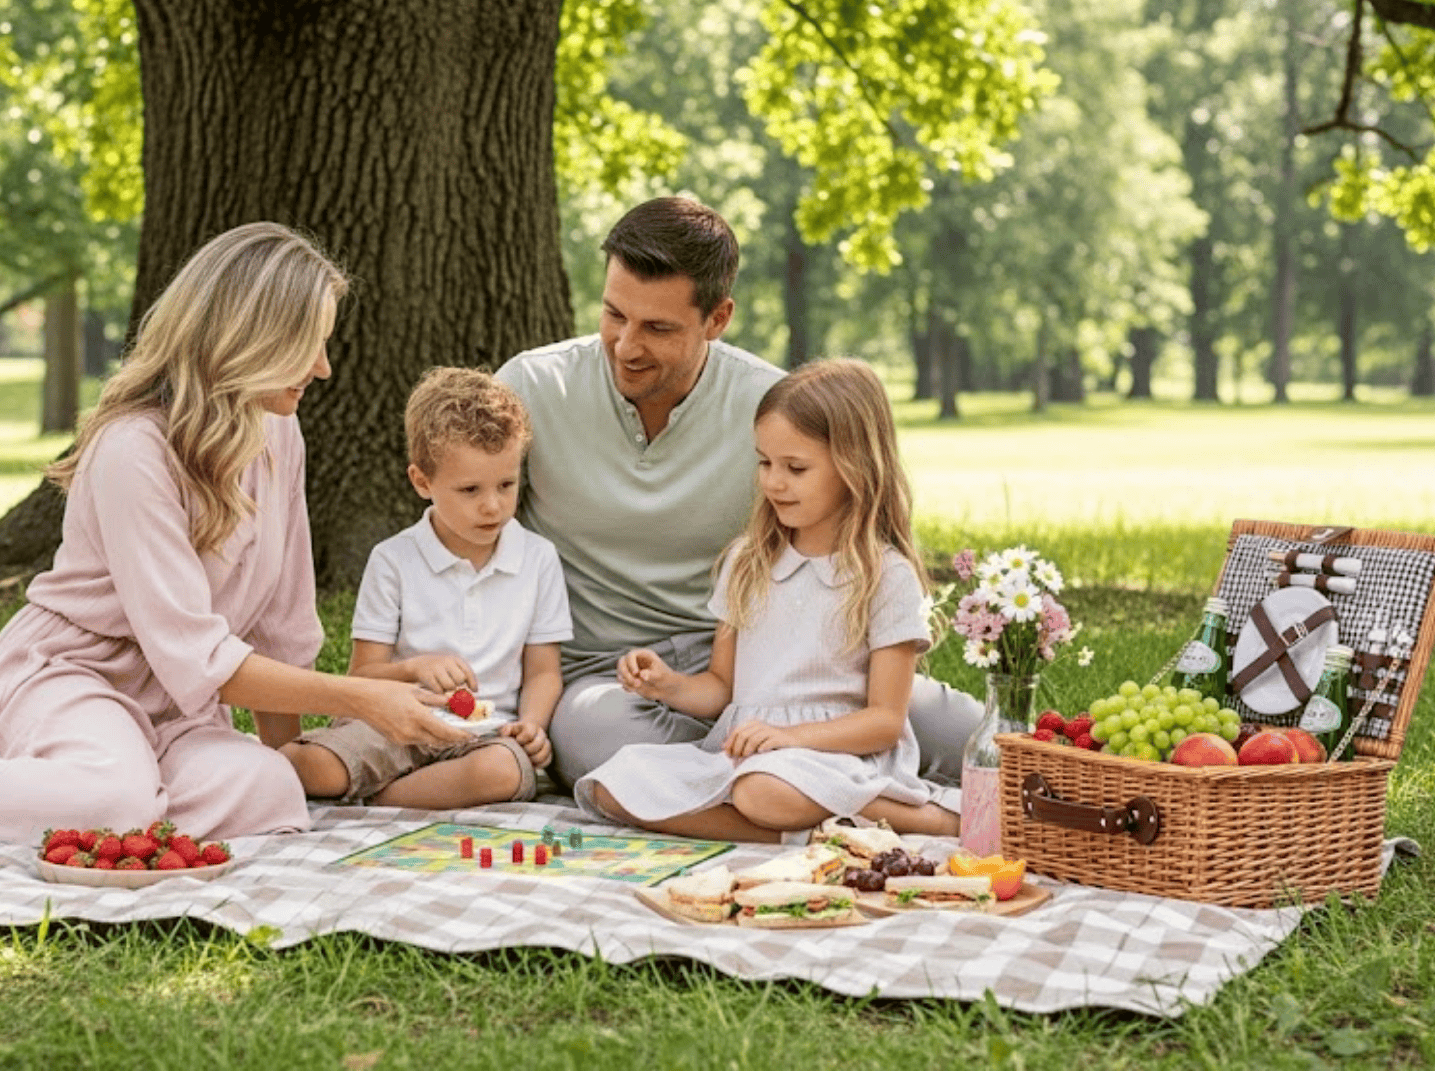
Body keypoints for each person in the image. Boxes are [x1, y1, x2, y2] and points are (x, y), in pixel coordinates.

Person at [0, 222, 469, 862]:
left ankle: (10, 796)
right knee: (113, 800)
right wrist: (368, 700)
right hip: (72, 678)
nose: (324, 368)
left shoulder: (279, 431)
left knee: (268, 791)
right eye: (310, 345)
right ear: (252, 339)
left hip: (176, 711)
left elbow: (281, 620)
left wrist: (286, 761)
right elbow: (200, 655)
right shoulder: (132, 448)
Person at [494, 196, 981, 795]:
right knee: (599, 737)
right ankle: (806, 776)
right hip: (609, 674)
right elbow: (465, 532)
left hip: (774, 661)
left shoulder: (772, 404)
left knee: (966, 733)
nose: (625, 345)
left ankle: (768, 771)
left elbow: (849, 546)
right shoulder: (532, 387)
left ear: (717, 319)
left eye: (658, 328)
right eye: (615, 314)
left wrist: (822, 708)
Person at [574, 360, 959, 842]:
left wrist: (790, 740)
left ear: (854, 466)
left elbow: (884, 722)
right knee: (613, 784)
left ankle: (933, 819)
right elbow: (720, 687)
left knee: (763, 793)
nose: (773, 482)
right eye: (764, 462)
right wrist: (666, 686)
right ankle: (802, 833)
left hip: (838, 760)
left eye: (795, 468)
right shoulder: (747, 561)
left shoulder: (884, 576)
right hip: (748, 757)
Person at [282, 367, 571, 808]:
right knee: (308, 766)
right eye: (470, 489)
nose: (493, 505)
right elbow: (363, 675)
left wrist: (531, 724)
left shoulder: (538, 558)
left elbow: (544, 671)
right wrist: (415, 668)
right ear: (422, 482)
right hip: (396, 722)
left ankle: (380, 800)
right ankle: (407, 791)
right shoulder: (393, 559)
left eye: (507, 485)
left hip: (487, 734)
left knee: (503, 771)